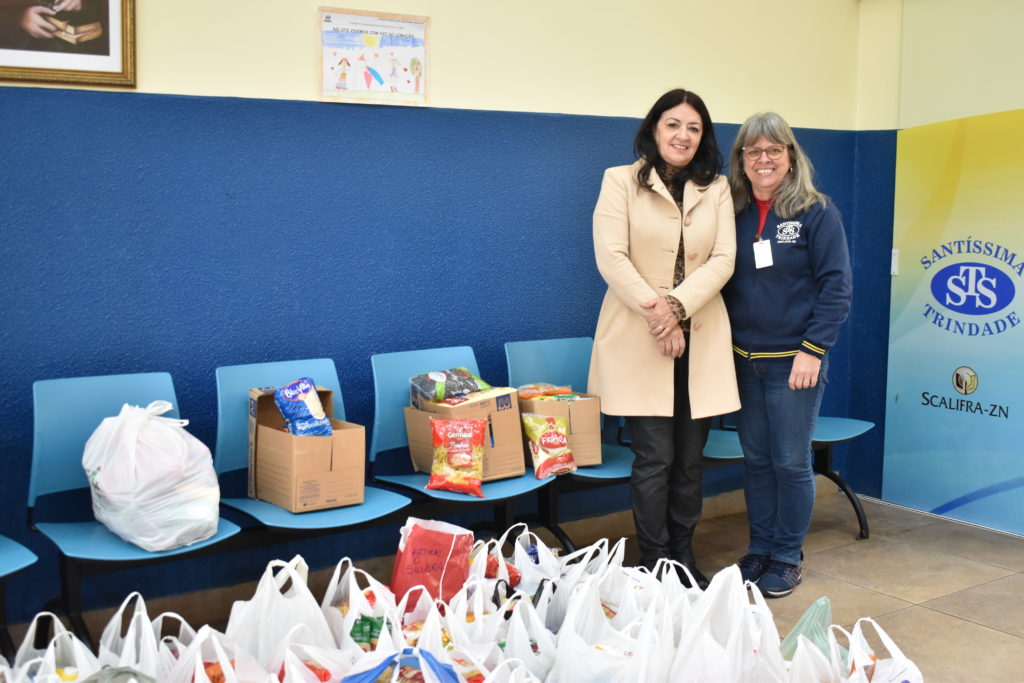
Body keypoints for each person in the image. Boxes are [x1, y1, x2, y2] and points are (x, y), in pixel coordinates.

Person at [588, 89, 740, 588]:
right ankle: (656, 565)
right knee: (654, 458)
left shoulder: (715, 187)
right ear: (654, 129)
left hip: (699, 338)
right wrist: (659, 316)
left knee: (690, 461)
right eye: (673, 124)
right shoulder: (619, 182)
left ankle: (683, 555)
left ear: (704, 138)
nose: (683, 136)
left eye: (694, 128)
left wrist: (676, 310)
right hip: (640, 337)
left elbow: (723, 259)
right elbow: (612, 257)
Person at [723, 112, 852, 597]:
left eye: (773, 149)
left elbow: (837, 287)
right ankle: (759, 549)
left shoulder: (817, 212)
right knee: (755, 461)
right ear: (741, 159)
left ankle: (787, 556)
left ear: (791, 155)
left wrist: (813, 350)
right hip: (743, 359)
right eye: (752, 151)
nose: (763, 159)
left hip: (795, 362)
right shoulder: (731, 212)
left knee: (790, 462)